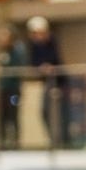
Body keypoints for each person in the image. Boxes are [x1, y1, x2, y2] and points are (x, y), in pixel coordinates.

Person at [25, 16, 63, 147]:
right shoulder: (34, 46)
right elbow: (33, 62)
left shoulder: (52, 42)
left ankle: (59, 141)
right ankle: (51, 139)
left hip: (56, 83)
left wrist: (48, 68)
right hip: (43, 84)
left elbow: (56, 60)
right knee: (43, 112)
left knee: (56, 113)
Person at [0, 25, 27, 149]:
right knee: (2, 116)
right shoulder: (1, 52)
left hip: (13, 89)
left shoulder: (17, 51)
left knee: (13, 114)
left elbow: (18, 68)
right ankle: (2, 141)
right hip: (3, 88)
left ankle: (15, 141)